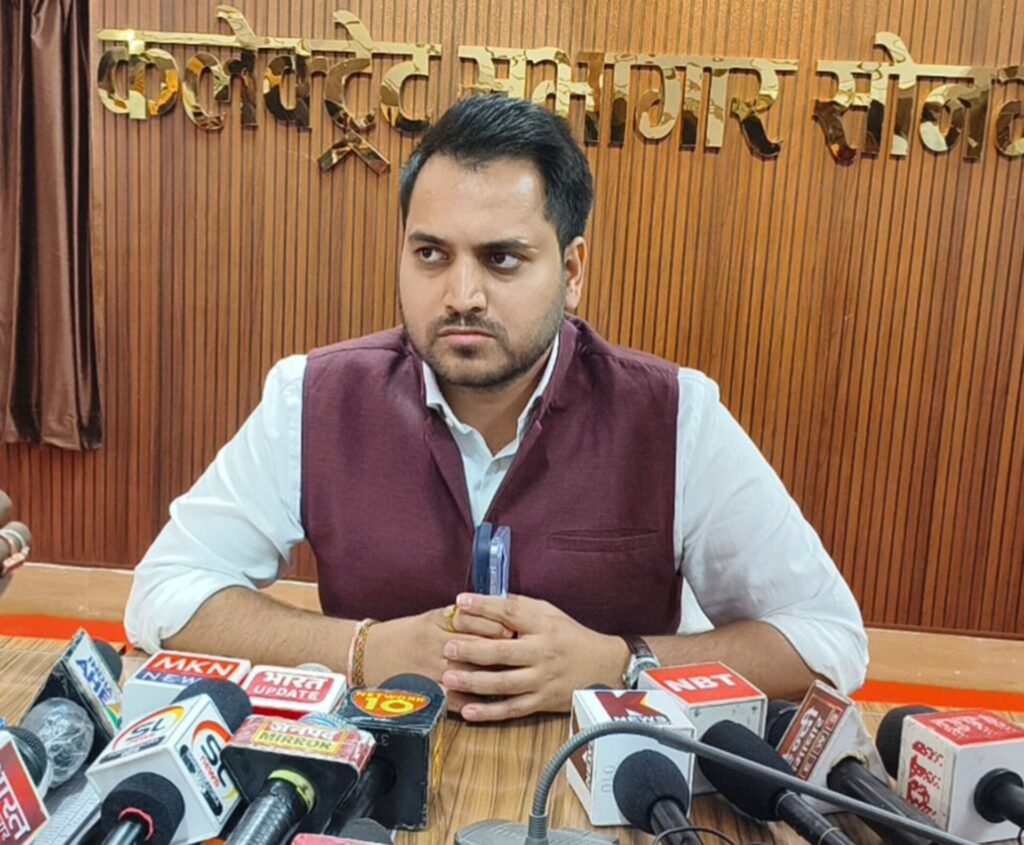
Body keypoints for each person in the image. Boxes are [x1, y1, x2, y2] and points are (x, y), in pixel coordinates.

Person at [126, 95, 867, 722]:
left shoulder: (675, 416)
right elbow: (166, 593)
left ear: (571, 271)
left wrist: (619, 663)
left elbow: (828, 639)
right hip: (372, 780)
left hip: (604, 789)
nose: (462, 296)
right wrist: (363, 649)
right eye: (431, 255)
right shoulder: (312, 396)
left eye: (501, 258)